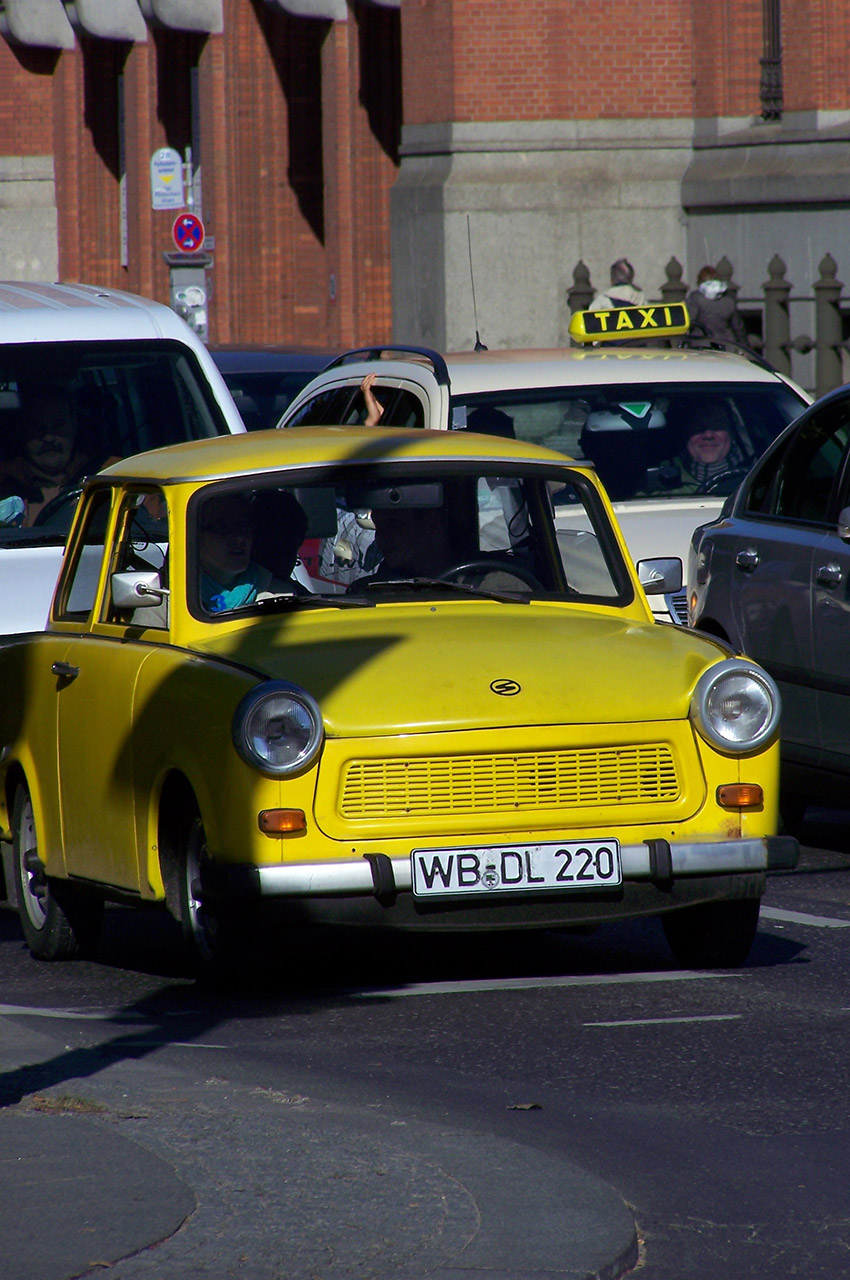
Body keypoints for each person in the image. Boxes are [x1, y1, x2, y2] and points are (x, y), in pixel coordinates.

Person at [0, 383, 95, 527]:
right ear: (22, 431)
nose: (48, 438)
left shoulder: (113, 475)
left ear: (74, 426)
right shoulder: (4, 484)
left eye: (58, 425)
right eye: (37, 428)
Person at [198, 492, 305, 612]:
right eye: (223, 528)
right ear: (195, 535)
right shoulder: (175, 597)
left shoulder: (280, 595)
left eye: (244, 526)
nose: (239, 537)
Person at [650, 401, 750, 495]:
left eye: (718, 425)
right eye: (697, 427)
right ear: (685, 434)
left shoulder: (755, 477)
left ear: (732, 433)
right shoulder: (659, 482)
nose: (708, 435)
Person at [686, 265, 749, 348]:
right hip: (726, 344)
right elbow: (738, 327)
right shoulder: (728, 300)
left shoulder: (695, 298)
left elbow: (689, 321)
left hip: (701, 345)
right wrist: (745, 346)